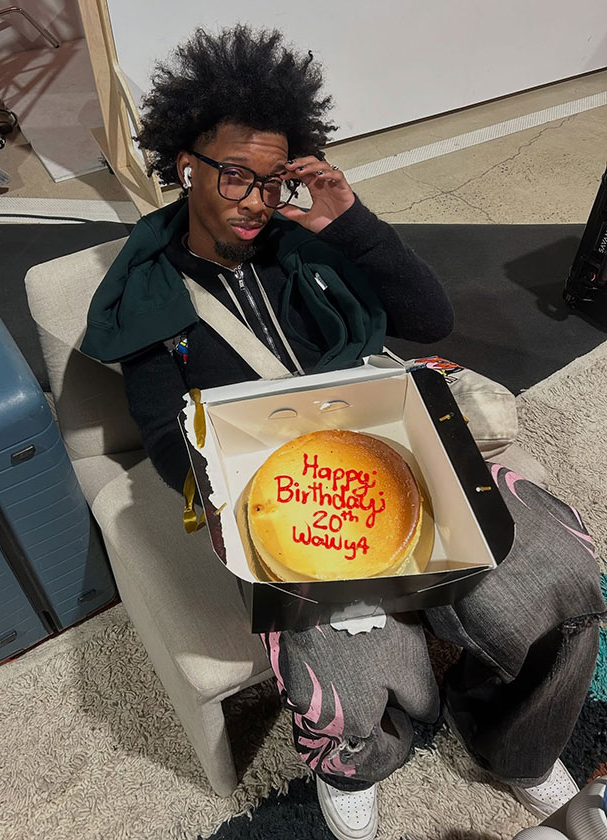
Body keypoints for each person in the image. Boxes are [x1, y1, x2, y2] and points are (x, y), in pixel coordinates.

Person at [81, 26, 605, 840]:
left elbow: (430, 319)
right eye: (233, 176)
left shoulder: (309, 241)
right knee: (358, 683)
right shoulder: (148, 294)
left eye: (271, 179)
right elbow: (160, 437)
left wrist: (348, 220)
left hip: (402, 454)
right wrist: (239, 478)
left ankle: (520, 749)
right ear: (186, 165)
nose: (255, 200)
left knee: (560, 584)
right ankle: (358, 761)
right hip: (285, 497)